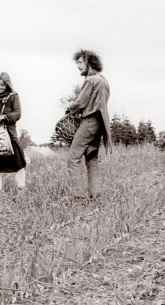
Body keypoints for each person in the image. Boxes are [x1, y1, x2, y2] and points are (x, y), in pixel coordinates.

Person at [66, 49, 112, 199]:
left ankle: (78, 197)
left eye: (80, 62)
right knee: (92, 159)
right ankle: (95, 194)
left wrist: (69, 108)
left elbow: (81, 101)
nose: (78, 66)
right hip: (100, 125)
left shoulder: (91, 80)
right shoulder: (103, 80)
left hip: (90, 122)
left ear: (89, 62)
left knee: (73, 159)